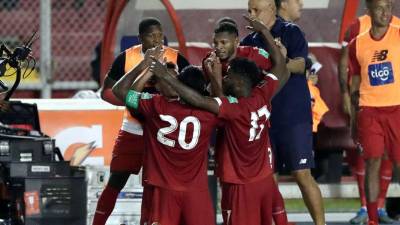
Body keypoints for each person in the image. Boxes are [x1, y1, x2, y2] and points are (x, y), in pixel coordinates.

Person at [151, 15, 289, 224]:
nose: (226, 77)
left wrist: (168, 77)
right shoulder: (263, 94)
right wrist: (264, 31)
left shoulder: (235, 109)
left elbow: (200, 100)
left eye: (228, 76)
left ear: (241, 81)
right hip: (263, 176)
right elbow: (280, 65)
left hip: (240, 181)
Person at [92, 17, 189, 225]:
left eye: (160, 34)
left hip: (163, 133)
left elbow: (191, 90)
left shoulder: (175, 58)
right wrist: (132, 102)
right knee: (115, 181)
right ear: (140, 38)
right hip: (132, 130)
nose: (157, 40)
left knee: (153, 186)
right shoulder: (126, 58)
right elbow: (106, 93)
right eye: (151, 35)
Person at [242, 1, 325, 225]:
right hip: (264, 119)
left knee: (302, 173)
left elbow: (300, 65)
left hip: (293, 116)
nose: (251, 15)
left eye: (255, 10)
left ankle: (320, 223)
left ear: (271, 8)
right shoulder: (248, 41)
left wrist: (280, 61)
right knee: (268, 178)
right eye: (249, 10)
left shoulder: (291, 31)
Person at [112, 57, 217, 225]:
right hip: (176, 189)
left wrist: (147, 68)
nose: (172, 83)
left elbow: (122, 92)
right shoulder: (208, 110)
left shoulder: (154, 106)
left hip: (166, 189)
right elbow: (219, 101)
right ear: (157, 86)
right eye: (167, 79)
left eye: (176, 79)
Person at [339, 3, 400, 223]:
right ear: (369, 10)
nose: (386, 12)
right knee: (372, 161)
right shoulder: (358, 43)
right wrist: (354, 115)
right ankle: (372, 218)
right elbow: (354, 79)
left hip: (397, 110)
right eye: (380, 7)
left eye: (389, 7)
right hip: (369, 111)